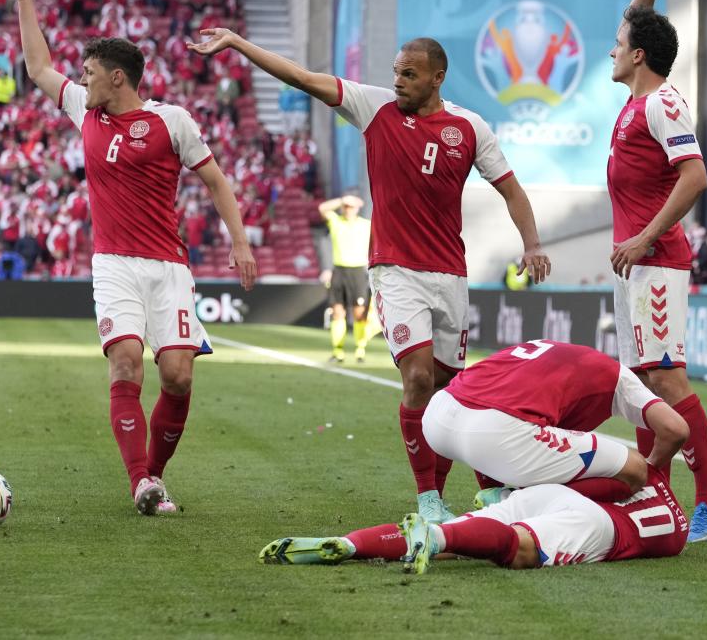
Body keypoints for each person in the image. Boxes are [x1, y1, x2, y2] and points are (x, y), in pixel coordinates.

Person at [189, 27, 551, 524]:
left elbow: (511, 189)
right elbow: (301, 78)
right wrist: (237, 44)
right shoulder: (373, 107)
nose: (398, 81)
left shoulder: (469, 128)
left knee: (448, 390)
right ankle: (428, 499)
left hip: (451, 273)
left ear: (437, 78)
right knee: (419, 378)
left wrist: (531, 244)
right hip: (395, 269)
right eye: (396, 72)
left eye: (410, 74)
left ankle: (455, 493)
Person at [12, 0, 257, 516]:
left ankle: (154, 473)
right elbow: (37, 68)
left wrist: (239, 241)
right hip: (114, 263)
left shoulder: (173, 121)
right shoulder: (83, 112)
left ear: (116, 79)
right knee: (124, 362)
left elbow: (218, 183)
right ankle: (140, 483)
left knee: (177, 377)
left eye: (90, 73)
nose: (81, 80)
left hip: (169, 267)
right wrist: (28, 1)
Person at [606, 0, 707, 542]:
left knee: (667, 380)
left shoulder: (664, 104)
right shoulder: (636, 100)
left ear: (639, 57)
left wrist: (644, 237)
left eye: (619, 45)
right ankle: (657, 497)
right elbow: (632, 28)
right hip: (635, 265)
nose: (611, 47)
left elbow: (696, 176)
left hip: (655, 262)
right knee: (641, 384)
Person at [258, 463, 687, 573]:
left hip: (552, 495)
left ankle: (351, 544)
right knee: (517, 548)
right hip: (601, 528)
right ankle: (435, 540)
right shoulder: (676, 529)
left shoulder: (638, 471)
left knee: (460, 532)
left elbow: (591, 481)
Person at [422, 340, 688, 506]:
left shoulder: (553, 350)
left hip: (438, 415)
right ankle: (512, 502)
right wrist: (648, 473)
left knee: (537, 442)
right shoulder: (622, 379)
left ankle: (495, 500)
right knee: (633, 467)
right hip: (496, 433)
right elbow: (676, 429)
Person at [318, 194, 372, 363]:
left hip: (358, 271)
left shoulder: (366, 225)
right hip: (339, 270)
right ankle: (337, 351)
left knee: (359, 313)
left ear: (357, 208)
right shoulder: (336, 221)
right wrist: (342, 199)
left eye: (351, 206)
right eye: (346, 206)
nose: (348, 209)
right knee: (338, 312)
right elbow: (322, 208)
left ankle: (360, 349)